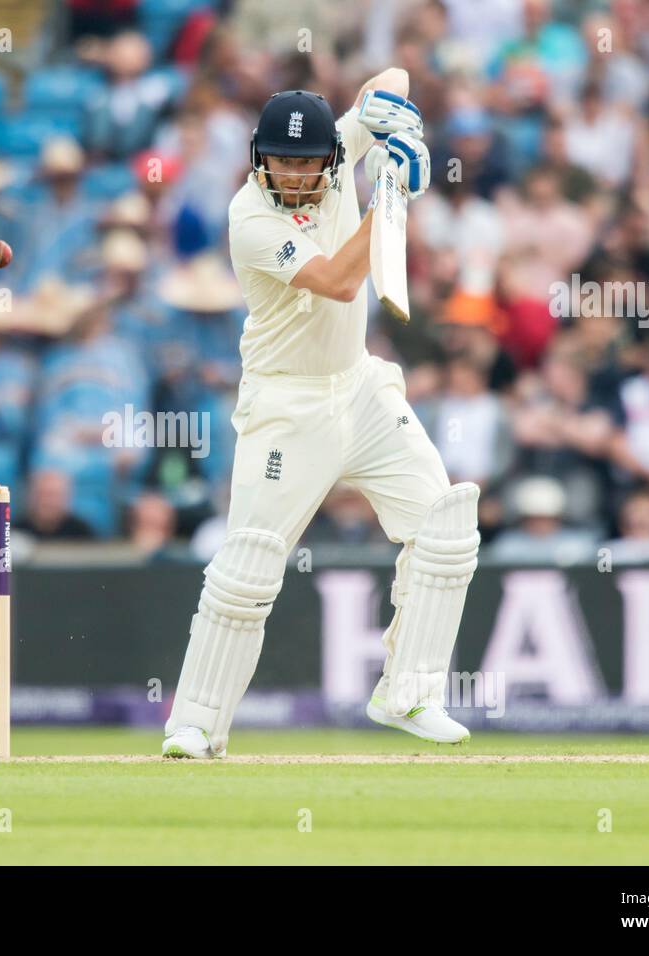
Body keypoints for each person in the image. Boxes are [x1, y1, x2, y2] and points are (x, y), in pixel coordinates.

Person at [161, 71, 479, 759]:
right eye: (283, 160)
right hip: (287, 402)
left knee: (445, 525)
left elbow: (390, 78)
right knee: (248, 566)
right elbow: (338, 281)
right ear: (259, 157)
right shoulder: (249, 219)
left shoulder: (338, 148)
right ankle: (197, 722)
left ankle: (410, 691)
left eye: (309, 162)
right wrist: (392, 193)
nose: (297, 174)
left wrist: (389, 112)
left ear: (332, 157)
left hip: (359, 386)